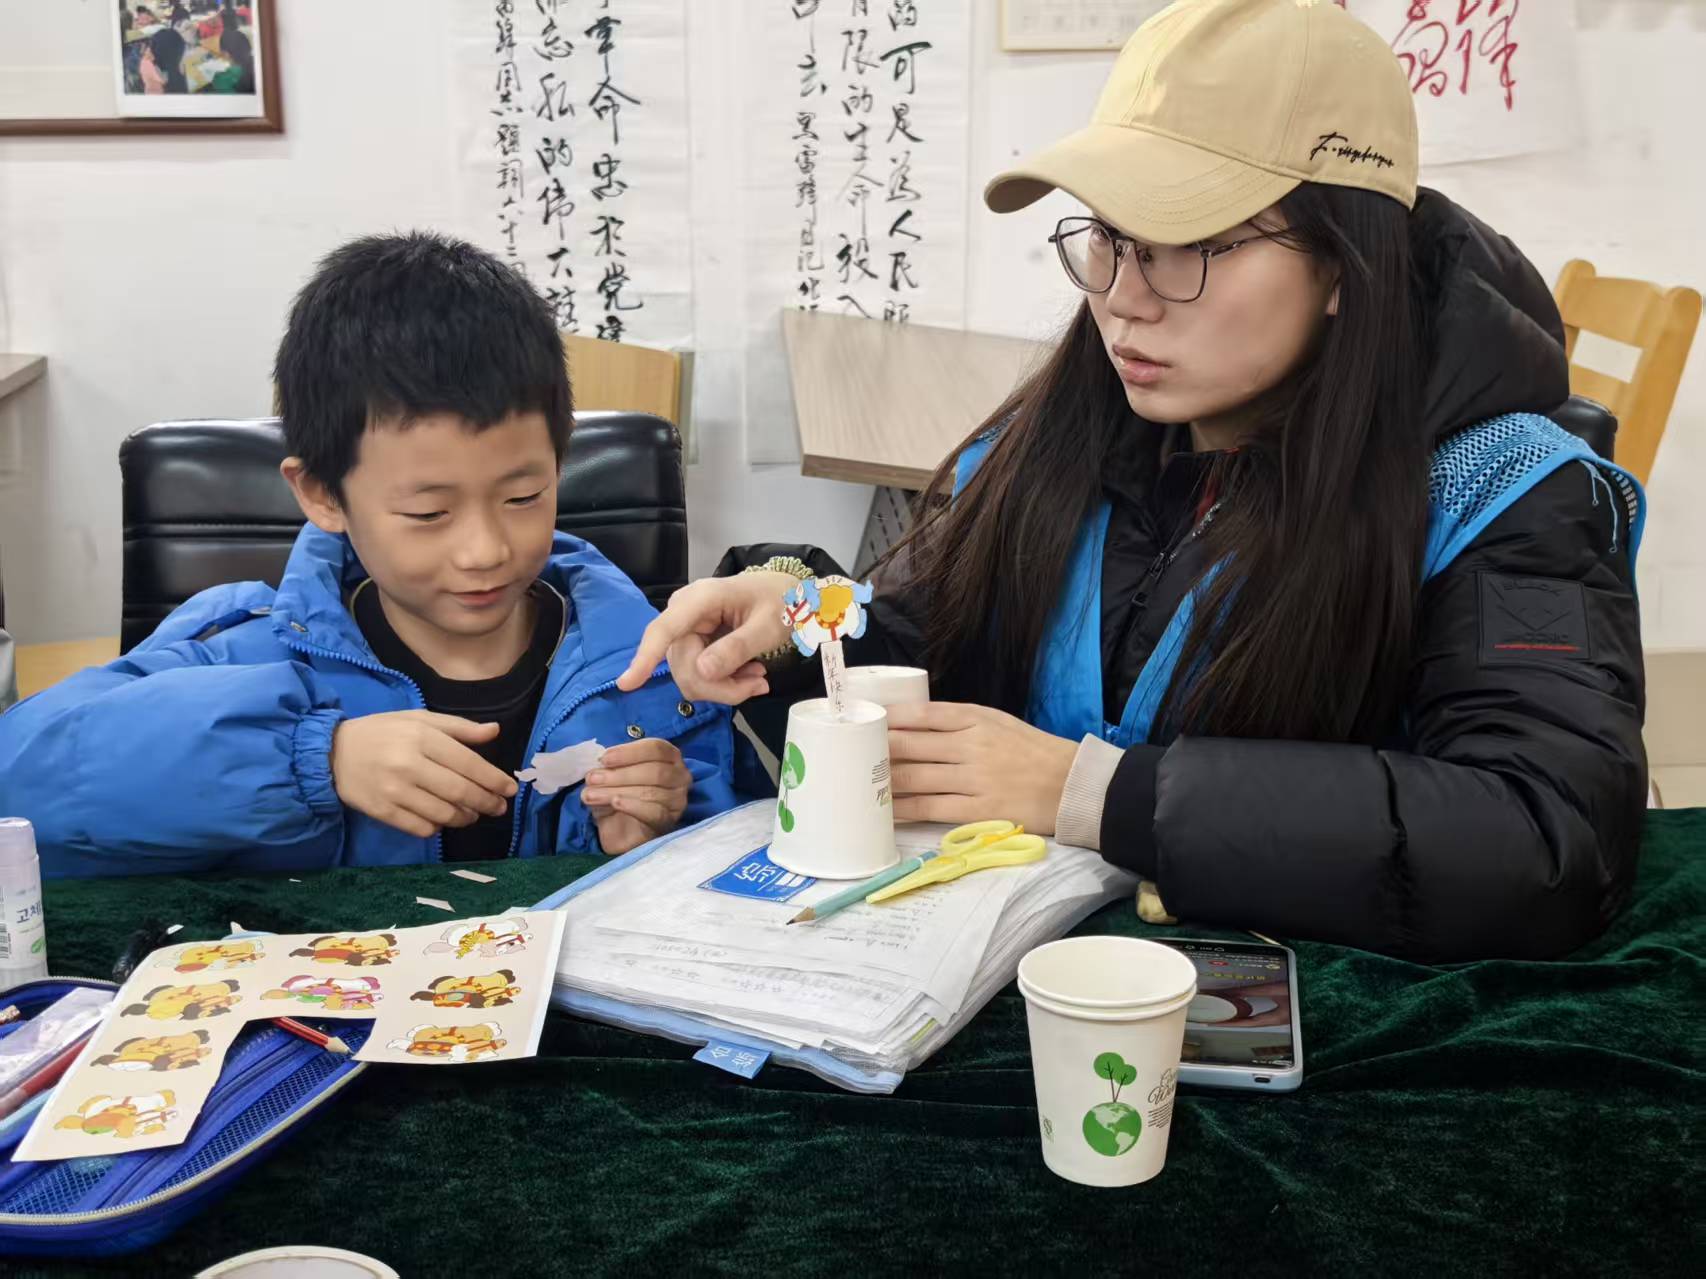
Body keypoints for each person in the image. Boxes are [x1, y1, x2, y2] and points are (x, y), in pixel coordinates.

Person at [619, 0, 1647, 963]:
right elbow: (934, 646)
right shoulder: (1058, 440)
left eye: (1188, 248)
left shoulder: (1504, 494)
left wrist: (1101, 794)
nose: (1122, 300)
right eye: (1107, 237)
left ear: (1343, 264)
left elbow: (1544, 835)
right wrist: (800, 620)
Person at [0, 233, 740, 876]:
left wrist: (660, 827)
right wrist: (311, 759)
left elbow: (742, 854)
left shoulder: (650, 668)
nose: (485, 550)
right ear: (323, 494)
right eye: (428, 513)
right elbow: (22, 779)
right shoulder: (245, 648)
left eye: (523, 496)